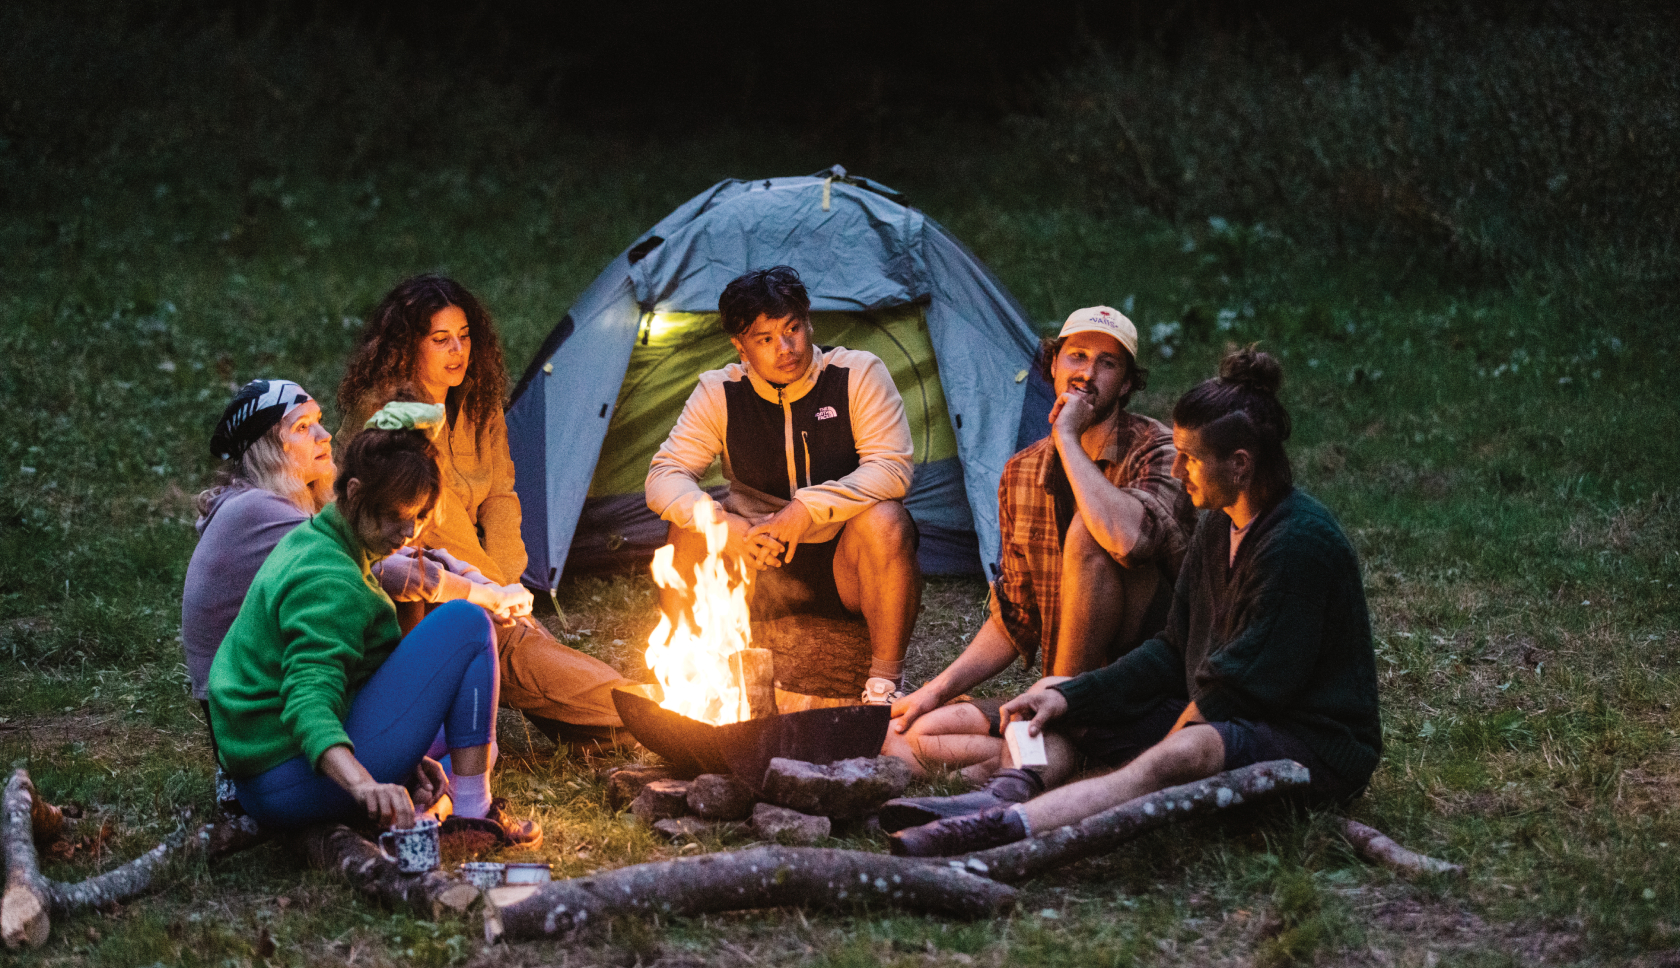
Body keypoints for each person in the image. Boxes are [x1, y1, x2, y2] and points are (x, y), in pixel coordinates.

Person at [886, 347, 1382, 856]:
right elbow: (1173, 651)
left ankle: (1010, 827)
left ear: (1239, 465)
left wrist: (1163, 746)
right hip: (1227, 717)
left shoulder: (1299, 544)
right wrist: (1074, 698)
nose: (1181, 468)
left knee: (1188, 748)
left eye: (1191, 458)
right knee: (1064, 691)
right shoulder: (1218, 527)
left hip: (1310, 746)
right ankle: (1003, 793)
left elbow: (1242, 687)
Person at [880, 306, 1195, 790]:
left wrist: (1067, 436)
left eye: (1108, 363)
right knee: (913, 733)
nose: (1088, 373)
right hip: (1063, 697)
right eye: (1077, 356)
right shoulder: (1022, 473)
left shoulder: (1159, 449)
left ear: (1128, 383)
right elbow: (1015, 618)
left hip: (1140, 689)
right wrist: (934, 690)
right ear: (1053, 365)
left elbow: (1127, 541)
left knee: (1091, 530)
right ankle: (1029, 756)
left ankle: (1049, 729)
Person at [208, 402, 538, 842]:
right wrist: (365, 783)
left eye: (420, 517)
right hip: (283, 779)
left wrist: (407, 760)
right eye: (395, 517)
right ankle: (473, 812)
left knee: (463, 735)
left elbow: (348, 683)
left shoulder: (319, 539)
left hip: (264, 769)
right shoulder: (329, 579)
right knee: (466, 623)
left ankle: (453, 796)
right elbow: (307, 703)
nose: (408, 533)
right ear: (357, 493)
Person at [337, 275, 636, 746]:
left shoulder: (477, 404)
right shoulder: (390, 418)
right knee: (518, 649)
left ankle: (621, 715)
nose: (458, 350)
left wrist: (508, 581)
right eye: (440, 340)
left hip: (476, 579)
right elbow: (437, 524)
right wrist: (492, 593)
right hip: (410, 585)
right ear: (406, 347)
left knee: (531, 652)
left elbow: (501, 494)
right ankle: (645, 705)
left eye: (464, 336)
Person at [644, 265, 920, 704]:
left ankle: (883, 686)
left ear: (809, 322)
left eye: (792, 329)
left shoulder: (856, 374)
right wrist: (720, 525)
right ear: (740, 345)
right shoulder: (721, 391)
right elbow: (664, 475)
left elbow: (892, 468)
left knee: (887, 520)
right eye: (765, 339)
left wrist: (807, 510)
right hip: (757, 556)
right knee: (688, 530)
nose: (786, 348)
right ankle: (691, 676)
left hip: (842, 560)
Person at [183, 379, 531, 711]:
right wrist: (492, 598)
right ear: (269, 450)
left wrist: (481, 581)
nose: (325, 435)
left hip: (280, 679)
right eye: (302, 428)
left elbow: (397, 553)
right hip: (250, 707)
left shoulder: (283, 504)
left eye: (318, 421)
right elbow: (391, 572)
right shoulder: (255, 510)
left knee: (427, 594)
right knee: (439, 611)